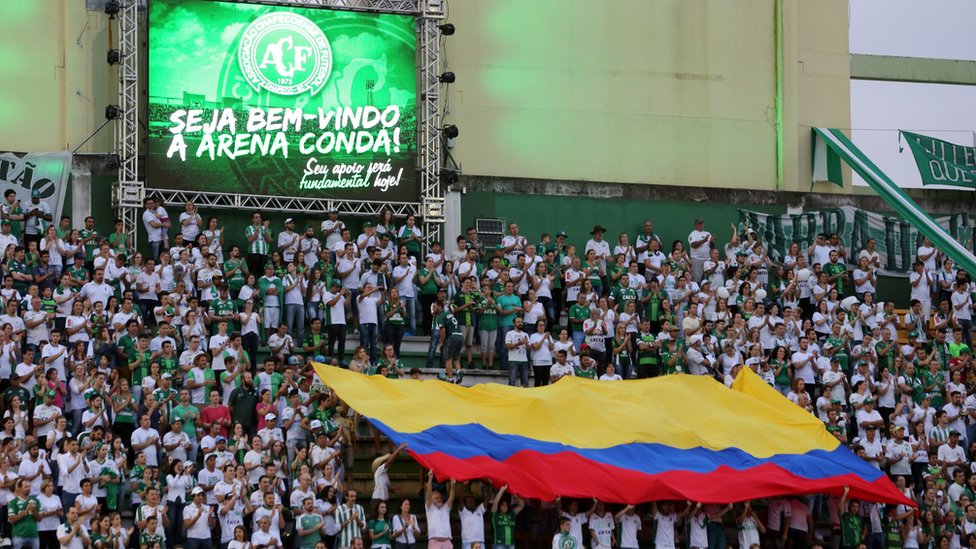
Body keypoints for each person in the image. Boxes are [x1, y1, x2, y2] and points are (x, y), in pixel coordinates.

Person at [425, 471, 456, 549]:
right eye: (437, 498)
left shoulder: (446, 508)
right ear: (432, 500)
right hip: (434, 542)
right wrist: (430, 479)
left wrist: (453, 487)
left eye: (441, 498)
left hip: (447, 542)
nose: (440, 499)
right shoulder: (430, 508)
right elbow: (428, 495)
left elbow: (451, 498)